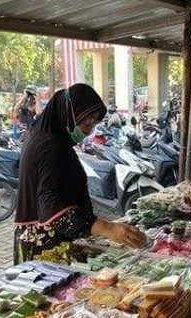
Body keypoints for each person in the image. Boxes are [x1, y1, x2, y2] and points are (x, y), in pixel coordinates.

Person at [14, 83, 146, 263]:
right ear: (68, 113)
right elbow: (53, 207)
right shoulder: (49, 145)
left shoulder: (45, 133)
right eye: (86, 122)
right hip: (46, 247)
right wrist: (108, 229)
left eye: (93, 124)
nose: (88, 130)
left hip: (50, 240)